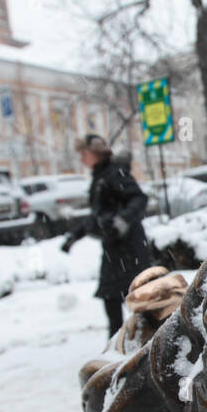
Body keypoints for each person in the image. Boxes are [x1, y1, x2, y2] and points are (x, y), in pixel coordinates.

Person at [61, 134, 151, 338]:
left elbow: (138, 198)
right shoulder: (99, 177)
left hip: (130, 248)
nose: (82, 159)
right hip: (113, 249)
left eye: (84, 153)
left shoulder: (114, 173)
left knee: (139, 299)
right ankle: (118, 344)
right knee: (111, 298)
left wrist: (123, 220)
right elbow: (97, 216)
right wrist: (75, 235)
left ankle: (147, 341)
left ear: (96, 153)